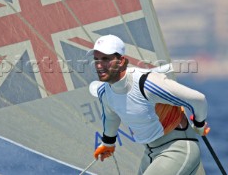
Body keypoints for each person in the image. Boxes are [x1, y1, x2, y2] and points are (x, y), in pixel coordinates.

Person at [87, 35, 210, 175]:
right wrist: (108, 143)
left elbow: (198, 99)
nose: (99, 65)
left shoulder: (146, 83)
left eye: (105, 59)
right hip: (151, 152)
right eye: (96, 59)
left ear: (121, 61)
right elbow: (111, 117)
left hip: (178, 147)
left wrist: (199, 125)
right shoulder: (105, 92)